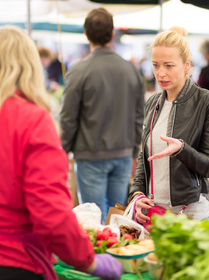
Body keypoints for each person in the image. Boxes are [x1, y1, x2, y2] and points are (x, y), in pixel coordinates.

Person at [0, 25, 122, 280]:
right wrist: (88, 262)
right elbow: (50, 213)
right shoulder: (31, 120)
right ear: (31, 66)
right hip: (15, 261)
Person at [128, 27, 209, 225]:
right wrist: (136, 195)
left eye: (169, 66)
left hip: (192, 216)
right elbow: (144, 156)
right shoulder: (153, 103)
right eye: (155, 65)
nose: (160, 73)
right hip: (155, 216)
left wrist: (182, 149)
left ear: (186, 64)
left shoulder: (208, 102)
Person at [60, 8, 144, 224]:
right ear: (112, 32)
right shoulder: (131, 70)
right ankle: (117, 258)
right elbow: (139, 116)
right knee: (117, 218)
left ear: (86, 34)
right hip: (123, 155)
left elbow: (68, 118)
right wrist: (135, 152)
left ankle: (99, 259)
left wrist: (64, 150)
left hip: (90, 155)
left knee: (92, 219)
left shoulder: (79, 70)